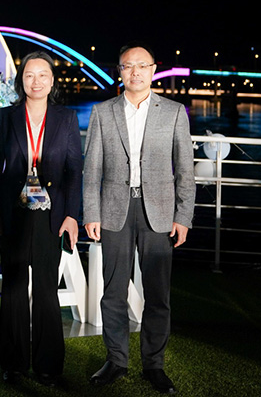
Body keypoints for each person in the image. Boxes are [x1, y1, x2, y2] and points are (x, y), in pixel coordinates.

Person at [83, 41, 195, 394]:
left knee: (158, 294)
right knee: (113, 293)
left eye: (142, 66)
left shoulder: (174, 112)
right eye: (128, 66)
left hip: (159, 212)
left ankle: (154, 365)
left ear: (153, 70)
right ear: (120, 71)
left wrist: (184, 216)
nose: (135, 72)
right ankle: (116, 360)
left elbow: (185, 170)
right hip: (114, 211)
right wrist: (91, 213)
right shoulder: (103, 112)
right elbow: (91, 170)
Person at [0, 51, 82, 386]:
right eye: (29, 75)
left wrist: (72, 215)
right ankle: (13, 365)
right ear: (21, 80)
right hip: (14, 213)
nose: (36, 81)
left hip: (50, 215)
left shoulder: (66, 118)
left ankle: (48, 366)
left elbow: (74, 171)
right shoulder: (6, 116)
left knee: (45, 289)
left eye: (43, 75)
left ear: (52, 81)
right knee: (13, 288)